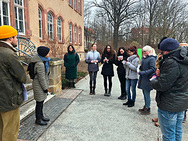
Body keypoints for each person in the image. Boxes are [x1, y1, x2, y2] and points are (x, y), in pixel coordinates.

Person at [151, 38, 188, 141]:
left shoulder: (172, 61)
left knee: (168, 135)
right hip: (182, 102)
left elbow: (162, 85)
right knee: (177, 131)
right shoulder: (184, 59)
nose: (161, 54)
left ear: (167, 50)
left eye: (162, 51)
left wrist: (154, 79)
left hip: (169, 103)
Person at [0, 25, 27, 141]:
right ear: (9, 38)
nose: (17, 39)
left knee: (2, 130)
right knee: (10, 132)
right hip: (9, 99)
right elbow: (23, 77)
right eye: (16, 37)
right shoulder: (9, 54)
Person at [31, 46, 51, 126]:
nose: (49, 54)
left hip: (41, 85)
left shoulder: (43, 61)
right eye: (48, 53)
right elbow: (41, 78)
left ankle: (41, 116)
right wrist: (45, 88)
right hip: (39, 85)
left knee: (41, 102)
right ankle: (38, 119)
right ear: (44, 54)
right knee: (39, 102)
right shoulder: (40, 64)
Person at [138, 46, 156, 115]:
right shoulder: (145, 58)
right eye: (143, 51)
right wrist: (139, 67)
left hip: (147, 79)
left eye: (145, 51)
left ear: (149, 51)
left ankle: (148, 108)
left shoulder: (151, 59)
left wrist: (143, 72)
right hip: (144, 78)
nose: (144, 53)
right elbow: (143, 67)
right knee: (144, 93)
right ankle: (146, 106)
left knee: (147, 94)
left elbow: (152, 69)